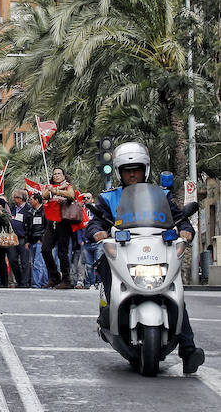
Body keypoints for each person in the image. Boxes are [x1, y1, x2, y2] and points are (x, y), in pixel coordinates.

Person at [86, 142, 204, 374]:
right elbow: (96, 221)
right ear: (119, 172)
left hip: (157, 249)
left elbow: (179, 218)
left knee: (173, 291)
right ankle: (109, 315)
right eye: (127, 170)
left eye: (137, 169)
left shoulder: (162, 195)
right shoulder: (108, 198)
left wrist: (186, 229)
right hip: (124, 250)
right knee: (106, 271)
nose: (132, 174)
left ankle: (188, 350)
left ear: (145, 170)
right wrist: (96, 231)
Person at [42, 167, 77, 289]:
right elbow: (44, 195)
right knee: (45, 249)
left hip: (63, 222)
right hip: (51, 223)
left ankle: (66, 279)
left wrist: (57, 190)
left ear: (63, 175)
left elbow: (71, 196)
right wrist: (52, 189)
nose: (56, 175)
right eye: (54, 174)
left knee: (63, 252)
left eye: (59, 173)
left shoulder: (68, 186)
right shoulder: (49, 186)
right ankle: (55, 276)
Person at [8, 190, 32, 287]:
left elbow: (30, 225)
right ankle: (19, 280)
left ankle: (25, 283)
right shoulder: (12, 208)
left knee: (25, 262)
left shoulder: (28, 209)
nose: (14, 199)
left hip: (23, 238)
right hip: (13, 238)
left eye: (15, 197)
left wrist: (28, 239)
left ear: (20, 199)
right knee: (12, 259)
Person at [25, 193, 48, 288]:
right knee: (36, 263)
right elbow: (27, 228)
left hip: (40, 242)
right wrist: (27, 241)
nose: (29, 201)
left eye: (31, 199)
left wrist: (42, 239)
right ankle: (44, 282)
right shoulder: (30, 212)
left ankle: (36, 284)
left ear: (37, 200)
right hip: (31, 241)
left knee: (38, 263)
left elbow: (47, 227)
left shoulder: (45, 211)